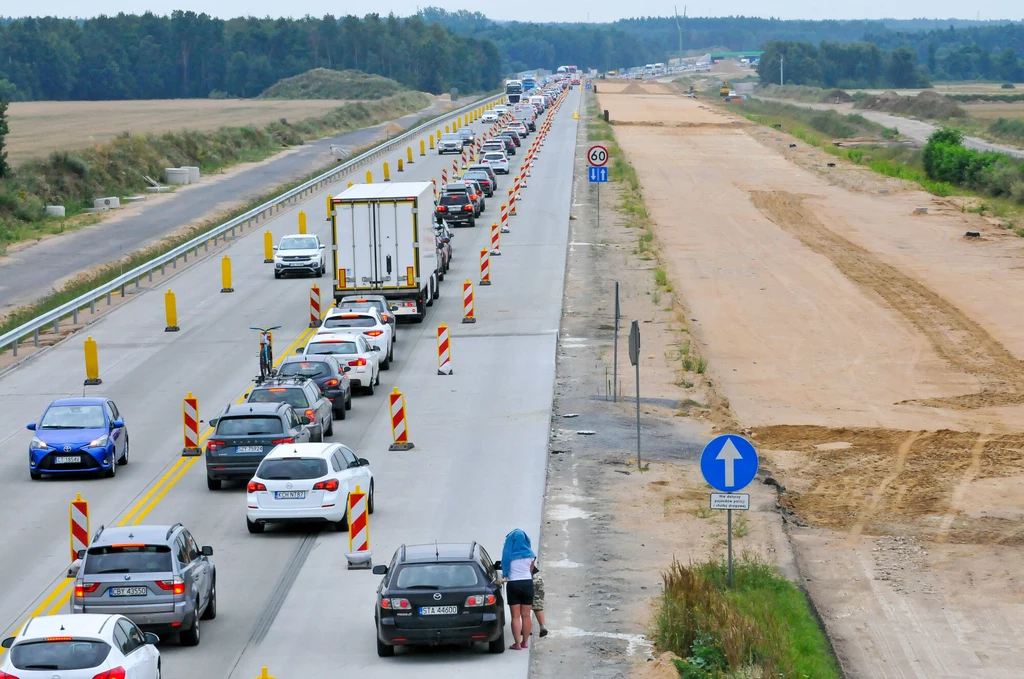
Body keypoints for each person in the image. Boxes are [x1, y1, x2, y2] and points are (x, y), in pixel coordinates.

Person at [501, 528, 535, 650]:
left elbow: (505, 569)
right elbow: (531, 570)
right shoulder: (531, 555)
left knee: (515, 616)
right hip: (527, 584)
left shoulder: (509, 555)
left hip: (513, 584)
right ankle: (525, 642)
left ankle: (516, 644)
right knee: (526, 615)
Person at [532, 562, 548, 637]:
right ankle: (542, 627)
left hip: (527, 579)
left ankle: (525, 629)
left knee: (525, 607)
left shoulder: (513, 556)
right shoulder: (527, 553)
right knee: (537, 606)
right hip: (538, 578)